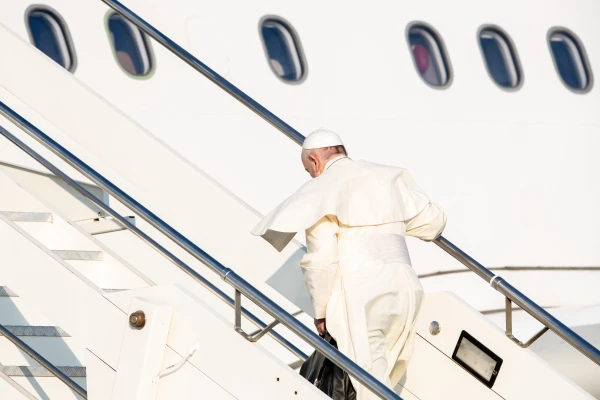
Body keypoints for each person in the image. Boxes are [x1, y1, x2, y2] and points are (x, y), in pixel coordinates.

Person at [252, 129, 446, 400]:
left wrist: (320, 312)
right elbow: (434, 223)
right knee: (388, 377)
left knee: (370, 386)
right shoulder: (388, 176)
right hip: (406, 287)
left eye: (308, 169)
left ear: (315, 161)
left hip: (362, 293)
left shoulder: (323, 188)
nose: (310, 175)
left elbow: (320, 260)